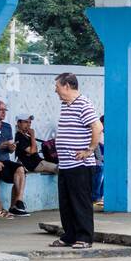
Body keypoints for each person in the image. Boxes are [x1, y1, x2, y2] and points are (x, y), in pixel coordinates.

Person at [51, 72, 100, 248]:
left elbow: (97, 126)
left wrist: (90, 150)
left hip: (80, 164)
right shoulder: (66, 105)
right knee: (66, 203)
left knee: (80, 202)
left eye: (57, 87)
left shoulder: (83, 104)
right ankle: (70, 235)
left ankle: (85, 237)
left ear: (67, 86)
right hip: (65, 164)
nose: (55, 91)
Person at [0, 100, 30, 216]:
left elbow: (11, 149)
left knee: (20, 169)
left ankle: (17, 203)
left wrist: (12, 147)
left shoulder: (7, 127)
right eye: (1, 110)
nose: (3, 113)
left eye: (5, 110)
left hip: (5, 161)